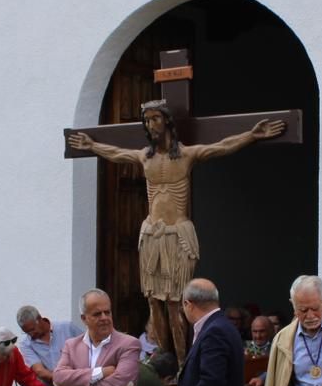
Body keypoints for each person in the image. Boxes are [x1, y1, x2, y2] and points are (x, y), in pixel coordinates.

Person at [68, 106, 285, 356]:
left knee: (175, 303)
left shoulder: (186, 155)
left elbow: (222, 146)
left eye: (155, 119)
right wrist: (91, 145)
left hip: (177, 234)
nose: (151, 125)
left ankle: (182, 361)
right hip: (151, 233)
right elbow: (116, 153)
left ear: (168, 122)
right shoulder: (144, 157)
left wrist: (252, 135)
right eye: (147, 121)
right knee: (152, 301)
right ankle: (162, 355)